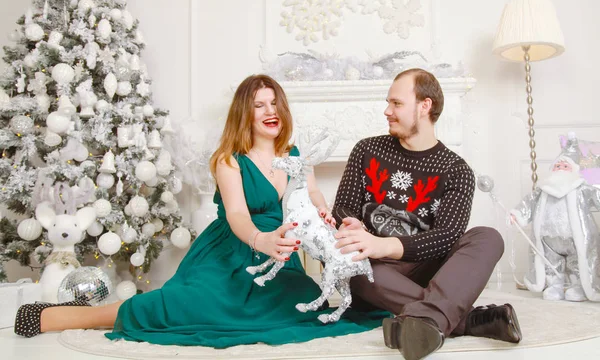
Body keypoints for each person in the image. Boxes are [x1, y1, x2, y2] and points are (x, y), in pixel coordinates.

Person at [14, 74, 385, 346]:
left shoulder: (294, 154)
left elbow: (313, 193)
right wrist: (262, 238)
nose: (269, 111)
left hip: (276, 256)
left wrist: (323, 213)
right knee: (188, 306)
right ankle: (64, 315)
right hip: (232, 249)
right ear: (246, 113)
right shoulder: (228, 159)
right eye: (259, 105)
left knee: (301, 311)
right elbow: (238, 215)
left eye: (274, 103)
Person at [332, 68, 522, 360]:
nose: (387, 111)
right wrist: (352, 223)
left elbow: (447, 238)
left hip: (428, 270)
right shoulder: (366, 150)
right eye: (388, 103)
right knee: (356, 271)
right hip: (377, 272)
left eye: (396, 103)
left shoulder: (456, 171)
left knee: (488, 237)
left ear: (425, 106)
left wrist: (386, 244)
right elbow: (342, 207)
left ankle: (425, 318)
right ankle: (463, 319)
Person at [511, 154, 600, 302]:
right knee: (550, 262)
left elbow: (597, 196)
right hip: (549, 239)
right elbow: (529, 202)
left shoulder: (581, 188)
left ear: (573, 171)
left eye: (565, 166)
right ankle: (554, 286)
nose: (561, 168)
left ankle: (577, 286)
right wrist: (517, 214)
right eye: (557, 166)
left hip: (574, 238)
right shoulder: (543, 190)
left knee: (577, 261)